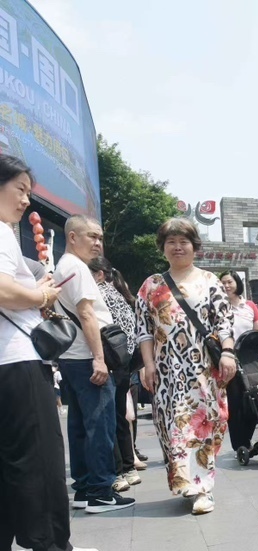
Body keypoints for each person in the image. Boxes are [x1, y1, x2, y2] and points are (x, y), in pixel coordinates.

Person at [0, 155, 98, 551]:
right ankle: (51, 545)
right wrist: (41, 295)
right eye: (20, 189)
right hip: (18, 362)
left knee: (10, 463)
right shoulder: (1, 231)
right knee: (40, 460)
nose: (26, 201)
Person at [136, 218, 236, 515]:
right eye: (171, 242)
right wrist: (148, 364)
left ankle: (202, 488)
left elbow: (224, 322)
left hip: (202, 370)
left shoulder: (209, 281)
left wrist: (228, 353)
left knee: (202, 425)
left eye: (184, 242)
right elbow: (144, 331)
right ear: (163, 247)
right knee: (173, 427)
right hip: (167, 371)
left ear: (194, 246)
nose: (178, 247)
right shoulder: (151, 285)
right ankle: (188, 483)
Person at [54, 215, 136, 514]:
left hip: (72, 358)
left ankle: (85, 488)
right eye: (92, 236)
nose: (98, 243)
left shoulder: (63, 266)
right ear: (73, 237)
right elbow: (87, 314)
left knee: (79, 426)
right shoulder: (77, 268)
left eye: (100, 237)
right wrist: (99, 359)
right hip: (88, 359)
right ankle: (101, 491)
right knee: (100, 426)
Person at [88, 255, 142, 490]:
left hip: (110, 362)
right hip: (124, 362)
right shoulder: (119, 294)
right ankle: (129, 468)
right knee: (120, 417)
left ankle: (118, 472)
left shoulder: (97, 294)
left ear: (99, 275)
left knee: (110, 418)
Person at [220, 270, 258, 340]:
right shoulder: (218, 307)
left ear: (237, 283)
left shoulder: (250, 305)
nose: (226, 286)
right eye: (223, 283)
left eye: (229, 282)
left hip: (247, 346)